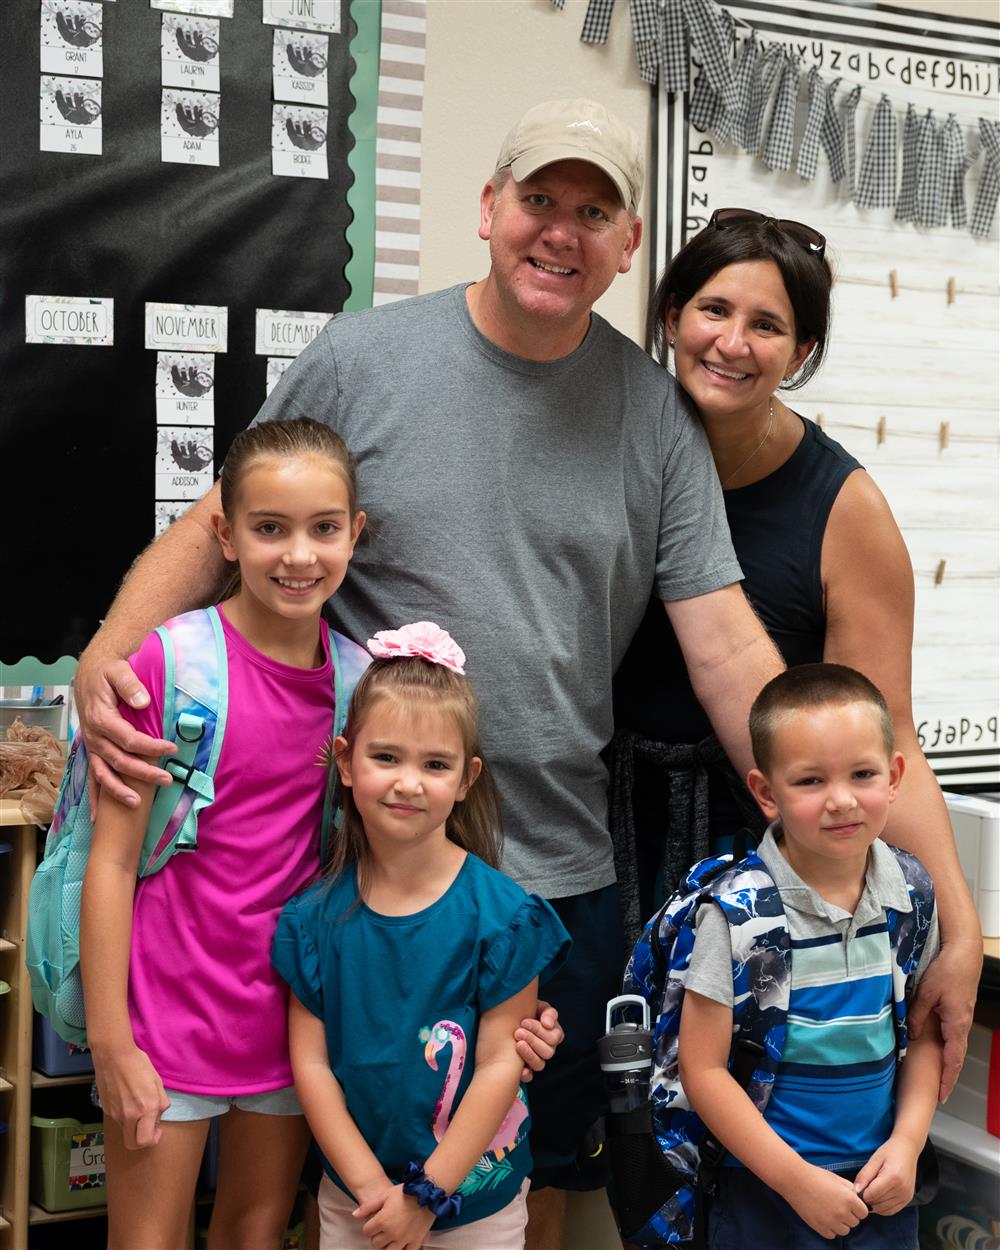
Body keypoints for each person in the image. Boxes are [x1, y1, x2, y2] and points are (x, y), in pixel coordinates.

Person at [71, 101, 781, 1247]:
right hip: (364, 871)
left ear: (629, 241)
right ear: (488, 209)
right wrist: (108, 657)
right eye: (538, 201)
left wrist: (820, 804)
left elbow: (727, 643)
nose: (561, 232)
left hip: (544, 874)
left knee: (524, 1177)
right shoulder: (365, 356)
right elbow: (222, 523)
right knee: (331, 1175)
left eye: (592, 211)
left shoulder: (654, 416)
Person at [612, 207, 980, 1102]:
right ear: (668, 315)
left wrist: (960, 932)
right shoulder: (610, 448)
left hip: (770, 854)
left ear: (802, 352)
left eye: (767, 325)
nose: (732, 343)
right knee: (598, 1127)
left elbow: (886, 730)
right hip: (603, 835)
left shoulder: (844, 509)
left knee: (764, 1119)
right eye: (712, 309)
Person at [80, 417, 369, 1249]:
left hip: (290, 1031)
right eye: (269, 528)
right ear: (225, 534)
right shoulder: (171, 664)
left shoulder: (359, 684)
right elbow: (112, 863)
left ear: (355, 534)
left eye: (323, 529)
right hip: (161, 1026)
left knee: (255, 1232)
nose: (298, 555)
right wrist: (112, 1043)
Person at [273, 623, 572, 1249]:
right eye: (386, 757)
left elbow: (497, 1064)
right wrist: (371, 1190)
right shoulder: (313, 922)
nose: (409, 782)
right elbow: (313, 1064)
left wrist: (426, 1195)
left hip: (475, 1203)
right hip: (357, 1201)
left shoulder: (504, 917)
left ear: (466, 779)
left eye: (435, 765)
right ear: (346, 760)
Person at [678, 664, 942, 1248]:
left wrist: (907, 1146)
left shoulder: (911, 894)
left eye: (862, 773)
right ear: (766, 793)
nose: (841, 800)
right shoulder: (738, 916)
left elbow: (924, 1035)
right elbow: (703, 1070)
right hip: (766, 1192)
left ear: (895, 775)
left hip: (882, 1186)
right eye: (811, 781)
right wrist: (796, 1182)